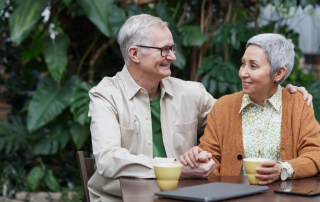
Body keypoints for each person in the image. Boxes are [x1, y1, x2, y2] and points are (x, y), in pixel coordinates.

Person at [88, 15, 312, 201]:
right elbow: (108, 160)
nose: (173, 56)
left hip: (181, 197)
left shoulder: (190, 93)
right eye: (164, 50)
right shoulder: (105, 96)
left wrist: (280, 91)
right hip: (119, 199)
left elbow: (237, 116)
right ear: (135, 54)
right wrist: (176, 167)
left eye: (172, 48)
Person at [180, 33, 320, 185]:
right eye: (243, 64)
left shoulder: (298, 105)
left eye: (253, 66)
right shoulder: (223, 107)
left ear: (278, 73)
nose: (242, 73)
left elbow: (315, 154)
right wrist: (200, 159)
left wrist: (282, 169)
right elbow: (210, 156)